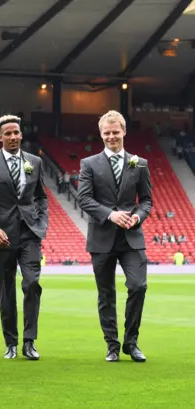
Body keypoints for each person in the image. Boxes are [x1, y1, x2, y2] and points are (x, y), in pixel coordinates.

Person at [77, 110, 152, 363]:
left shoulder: (140, 164)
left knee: (138, 286)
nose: (111, 136)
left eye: (115, 132)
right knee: (106, 293)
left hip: (132, 237)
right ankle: (112, 345)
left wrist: (138, 217)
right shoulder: (88, 164)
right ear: (101, 134)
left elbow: (147, 201)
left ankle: (131, 342)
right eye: (107, 133)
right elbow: (84, 198)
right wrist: (111, 215)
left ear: (124, 132)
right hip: (102, 238)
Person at [0, 114, 49, 360]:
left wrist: (42, 224)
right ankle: (10, 342)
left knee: (32, 284)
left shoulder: (35, 162)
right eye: (7, 134)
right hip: (2, 236)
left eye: (16, 133)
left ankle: (29, 342)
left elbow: (41, 196)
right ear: (0, 137)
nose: (13, 137)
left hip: (30, 233)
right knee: (6, 290)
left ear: (21, 134)